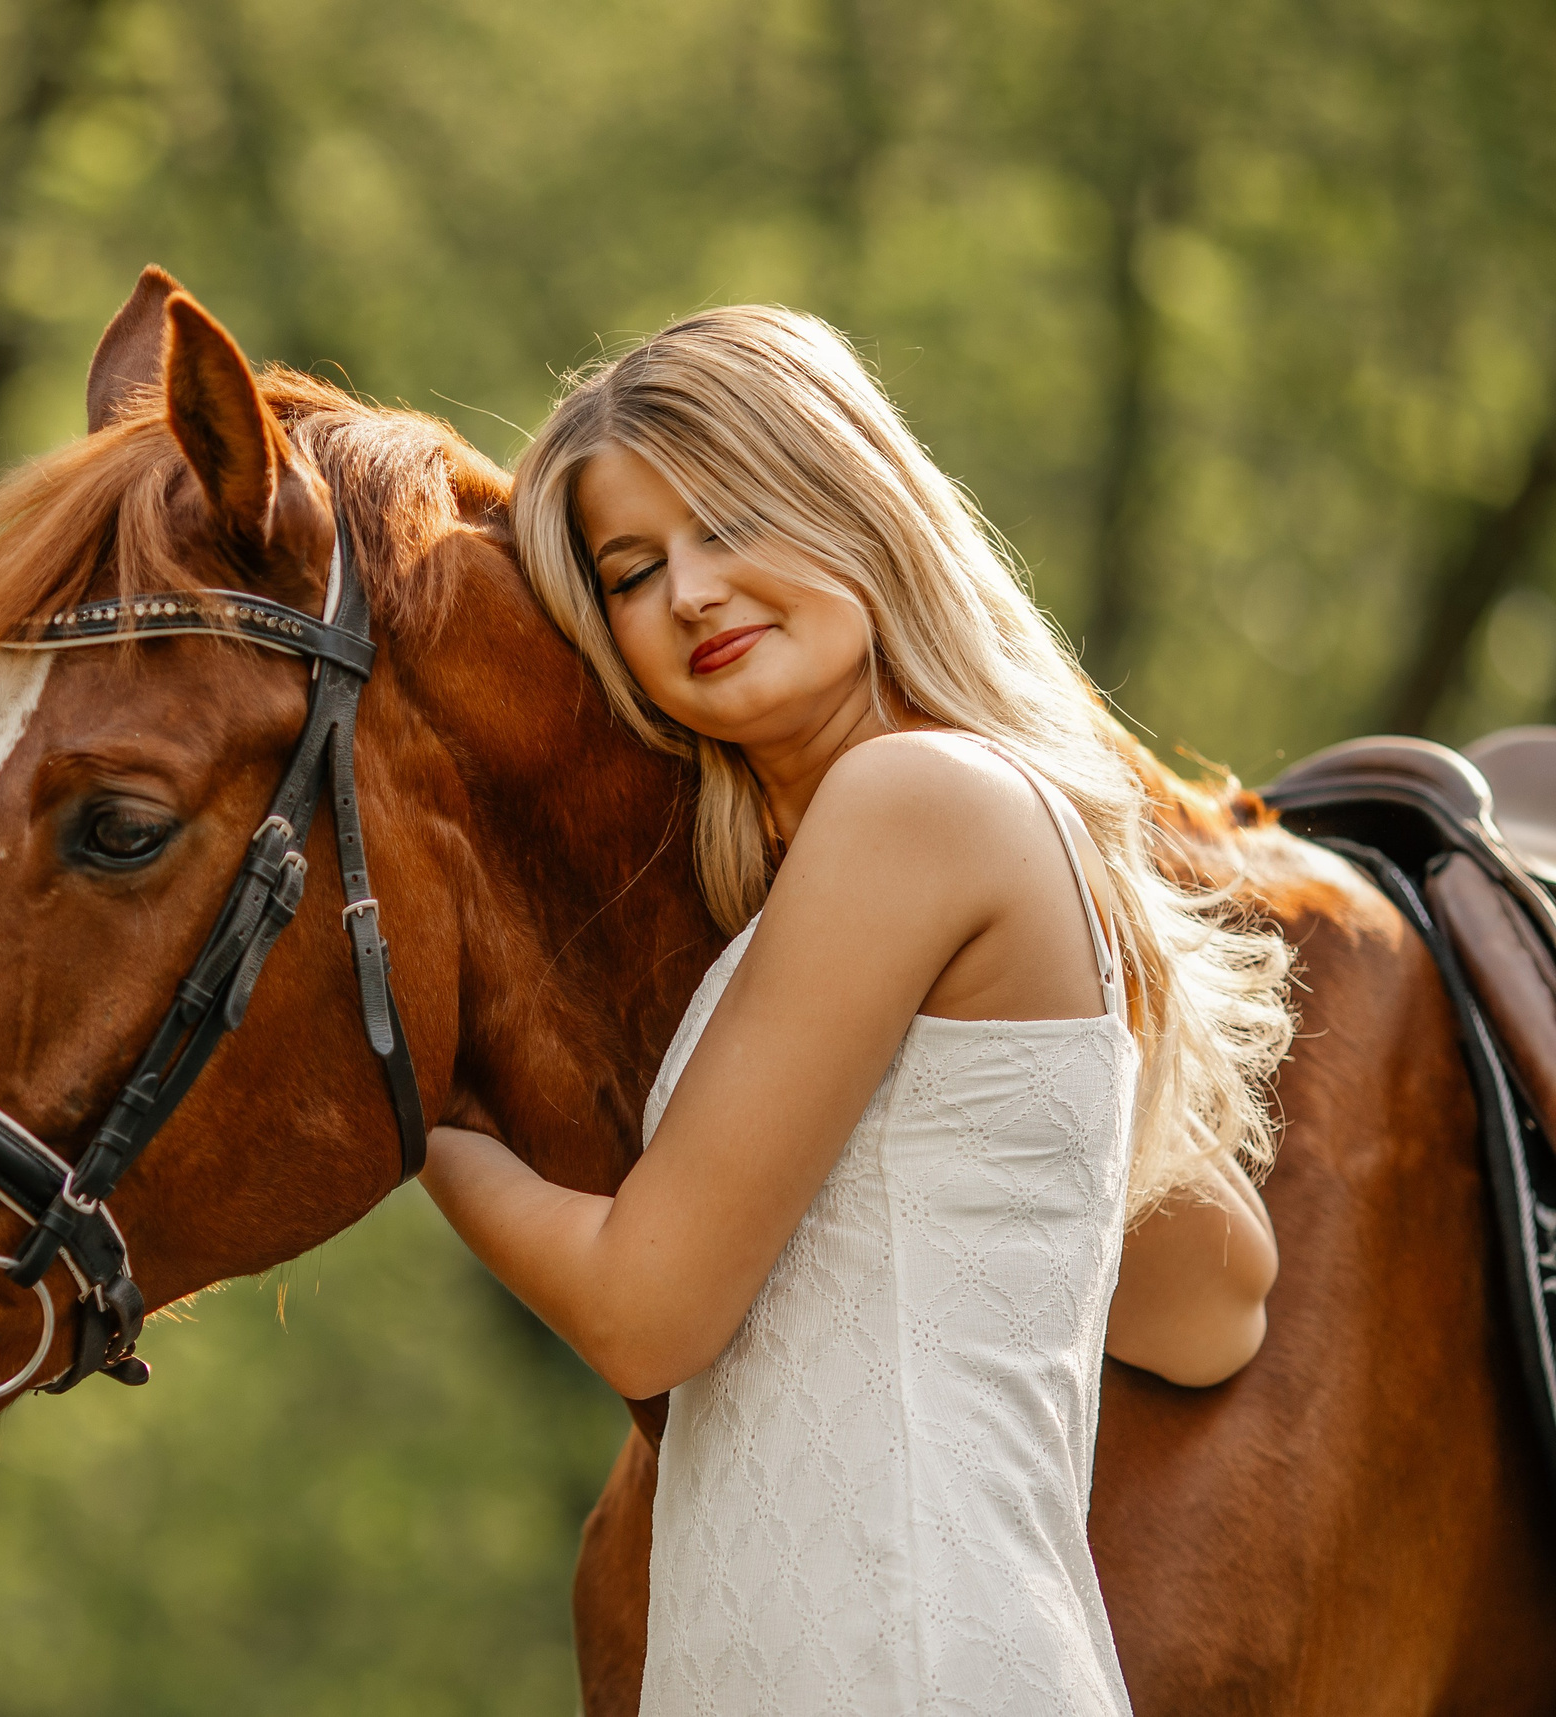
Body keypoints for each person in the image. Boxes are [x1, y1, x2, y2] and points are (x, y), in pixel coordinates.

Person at [419, 307, 1293, 1713]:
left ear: (855, 501)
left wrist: (425, 1115)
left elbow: (645, 1316)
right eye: (634, 572)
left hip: (904, 1660)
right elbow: (1216, 1302)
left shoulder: (916, 801)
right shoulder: (906, 842)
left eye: (734, 520)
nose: (692, 592)